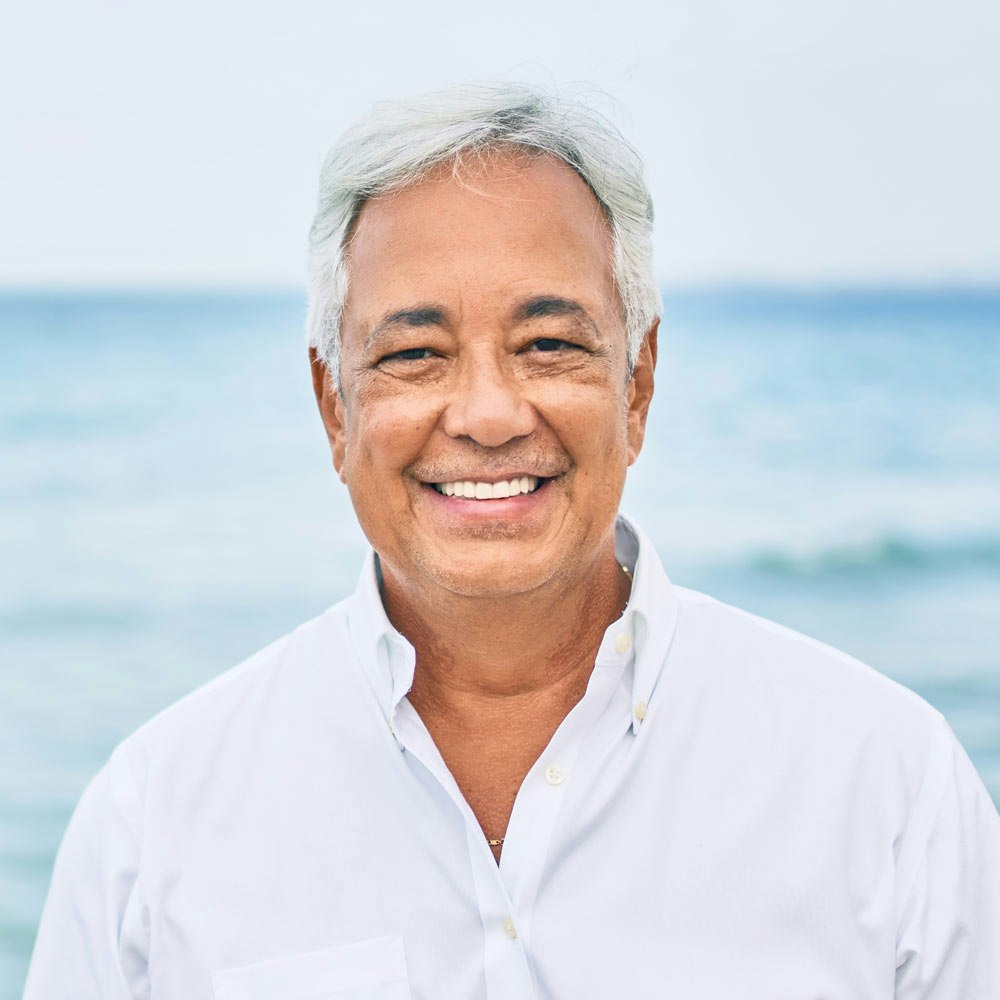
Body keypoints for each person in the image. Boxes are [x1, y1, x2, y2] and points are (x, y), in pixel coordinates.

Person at [24, 85, 1000, 1000]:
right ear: (335, 406)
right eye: (412, 354)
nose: (488, 415)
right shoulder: (154, 819)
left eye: (549, 344)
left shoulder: (884, 783)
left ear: (638, 382)